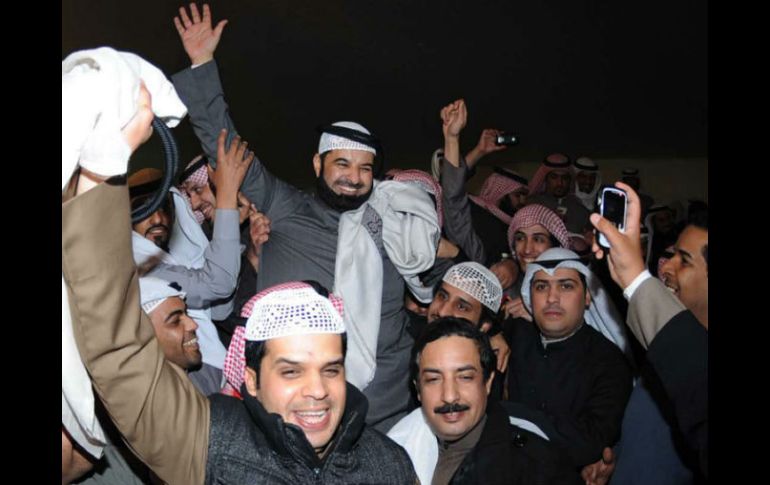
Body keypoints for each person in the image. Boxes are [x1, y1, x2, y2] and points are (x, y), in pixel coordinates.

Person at [171, 3, 440, 430]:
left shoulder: (392, 223)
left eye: (365, 169)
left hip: (383, 413)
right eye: (342, 164)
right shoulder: (284, 205)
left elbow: (435, 277)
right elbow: (224, 146)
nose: (354, 178)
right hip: (288, 412)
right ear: (318, 164)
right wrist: (203, 65)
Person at [590, 182, 708, 481]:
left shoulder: (689, 361)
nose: (666, 268)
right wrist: (615, 461)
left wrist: (635, 278)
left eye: (684, 260)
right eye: (671, 255)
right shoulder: (665, 352)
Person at [388, 318, 575, 485]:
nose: (450, 396)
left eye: (465, 377)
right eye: (433, 379)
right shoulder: (394, 452)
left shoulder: (539, 469)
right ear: (418, 390)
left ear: (488, 383)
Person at [504, 248, 633, 478]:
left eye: (565, 286)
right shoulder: (514, 336)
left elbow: (591, 441)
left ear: (587, 297)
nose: (552, 298)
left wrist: (506, 416)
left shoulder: (609, 362)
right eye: (541, 287)